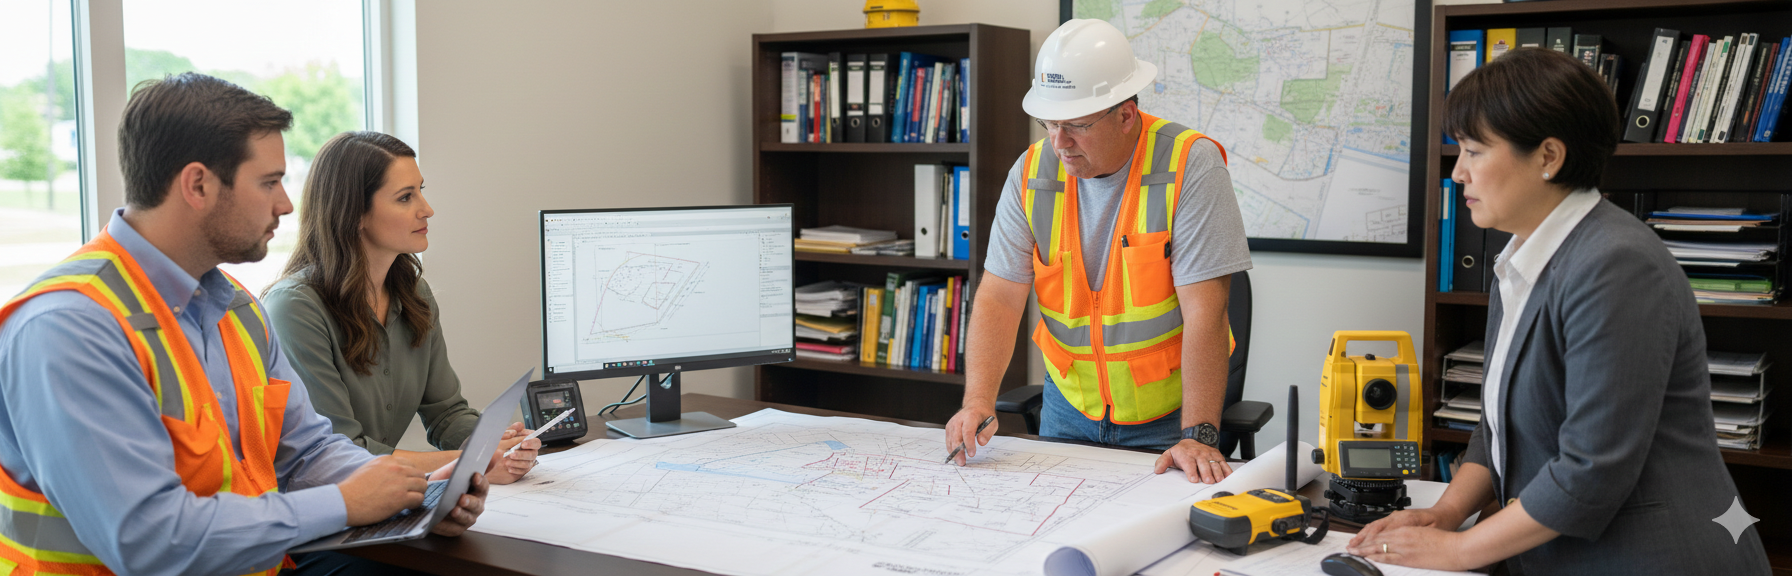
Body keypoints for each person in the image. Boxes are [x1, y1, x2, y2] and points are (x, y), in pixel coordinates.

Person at [0, 73, 487, 576]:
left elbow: (307, 452)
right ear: (198, 185)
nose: (287, 204)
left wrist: (416, 496)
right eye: (269, 182)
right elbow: (149, 540)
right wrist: (346, 503)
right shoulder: (69, 328)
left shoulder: (237, 309)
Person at [1346, 48, 1770, 574]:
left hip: (1651, 557)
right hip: (1558, 551)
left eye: (1475, 152)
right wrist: (1447, 513)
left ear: (1548, 156)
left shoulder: (1616, 263)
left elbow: (1593, 468)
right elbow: (1498, 425)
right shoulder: (1523, 257)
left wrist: (1458, 551)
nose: (1459, 174)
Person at [944, 18, 1251, 484]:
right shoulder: (1031, 174)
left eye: (1076, 127)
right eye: (1049, 124)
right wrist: (978, 400)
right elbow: (1000, 297)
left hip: (1168, 422)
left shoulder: (1190, 165)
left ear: (1125, 114)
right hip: (1068, 408)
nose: (1058, 143)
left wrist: (1200, 433)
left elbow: (1207, 312)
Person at [262, 131, 538, 484]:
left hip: (381, 501)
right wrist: (472, 461)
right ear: (354, 214)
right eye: (406, 197)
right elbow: (338, 451)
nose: (427, 209)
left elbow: (447, 414)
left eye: (421, 190)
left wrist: (493, 443)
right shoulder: (295, 309)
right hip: (320, 512)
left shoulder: (414, 294)